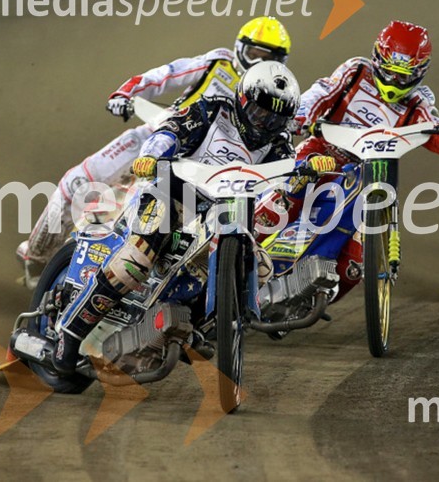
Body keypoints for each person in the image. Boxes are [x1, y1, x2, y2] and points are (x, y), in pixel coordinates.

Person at [53, 61, 300, 374]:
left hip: (225, 212)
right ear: (241, 100)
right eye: (259, 113)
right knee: (137, 259)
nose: (264, 123)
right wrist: (152, 156)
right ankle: (70, 332)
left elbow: (287, 178)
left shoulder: (280, 145)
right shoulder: (211, 111)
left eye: (274, 118)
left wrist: (298, 180)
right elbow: (170, 130)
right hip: (174, 193)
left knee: (262, 267)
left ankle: (201, 324)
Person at [17, 17, 292, 286]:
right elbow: (168, 74)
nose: (257, 62)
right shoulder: (217, 64)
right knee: (77, 182)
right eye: (253, 53)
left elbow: (291, 126)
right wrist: (126, 94)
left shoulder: (276, 95)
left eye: (266, 58)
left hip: (202, 168)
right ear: (239, 47)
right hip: (161, 135)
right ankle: (38, 254)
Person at [254, 20, 439, 301]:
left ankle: (305, 299)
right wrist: (300, 116)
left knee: (353, 268)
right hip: (322, 153)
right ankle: (233, 250)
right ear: (377, 59)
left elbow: (438, 134)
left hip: (367, 176)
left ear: (420, 73)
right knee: (282, 200)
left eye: (404, 77)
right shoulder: (355, 71)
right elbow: (321, 92)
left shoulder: (419, 102)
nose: (395, 82)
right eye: (391, 73)